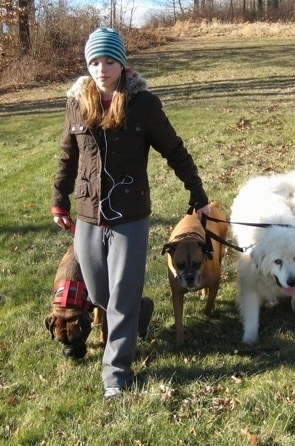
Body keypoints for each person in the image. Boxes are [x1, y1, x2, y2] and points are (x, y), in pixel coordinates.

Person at [51, 27, 210, 400]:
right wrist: (59, 197)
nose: (101, 69)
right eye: (94, 61)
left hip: (131, 214)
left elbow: (175, 150)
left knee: (119, 296)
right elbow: (66, 155)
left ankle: (116, 373)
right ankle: (139, 310)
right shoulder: (76, 104)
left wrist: (197, 192)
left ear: (122, 64)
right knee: (101, 292)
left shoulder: (143, 104)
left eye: (109, 61)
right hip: (89, 214)